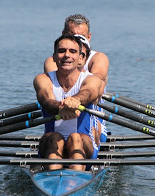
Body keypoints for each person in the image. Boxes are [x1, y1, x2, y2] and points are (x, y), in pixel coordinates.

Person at [34, 34, 103, 171]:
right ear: (54, 57)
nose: (67, 55)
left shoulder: (91, 80)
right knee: (55, 137)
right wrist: (61, 107)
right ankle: (54, 183)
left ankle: (74, 180)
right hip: (50, 144)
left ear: (80, 58)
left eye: (72, 51)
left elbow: (89, 92)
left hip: (84, 145)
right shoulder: (42, 79)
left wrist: (76, 100)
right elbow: (46, 101)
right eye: (61, 51)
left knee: (75, 137)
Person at [44, 14, 109, 146]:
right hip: (58, 114)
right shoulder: (53, 61)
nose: (76, 40)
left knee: (91, 129)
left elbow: (97, 91)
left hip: (91, 116)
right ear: (63, 35)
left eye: (82, 36)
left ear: (89, 37)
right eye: (72, 35)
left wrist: (74, 101)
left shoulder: (98, 59)